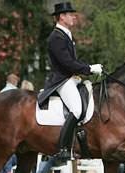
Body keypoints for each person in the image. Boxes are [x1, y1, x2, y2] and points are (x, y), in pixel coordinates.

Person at [44, 2, 103, 161]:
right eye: (71, 14)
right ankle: (61, 149)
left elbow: (73, 61)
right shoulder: (56, 37)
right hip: (62, 80)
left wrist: (87, 69)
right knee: (76, 109)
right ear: (62, 17)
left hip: (73, 78)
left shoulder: (66, 34)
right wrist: (89, 69)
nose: (74, 17)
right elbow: (67, 63)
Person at [0, 73, 20, 173]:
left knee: (2, 153)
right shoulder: (16, 92)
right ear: (15, 81)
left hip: (1, 125)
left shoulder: (2, 92)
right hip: (12, 125)